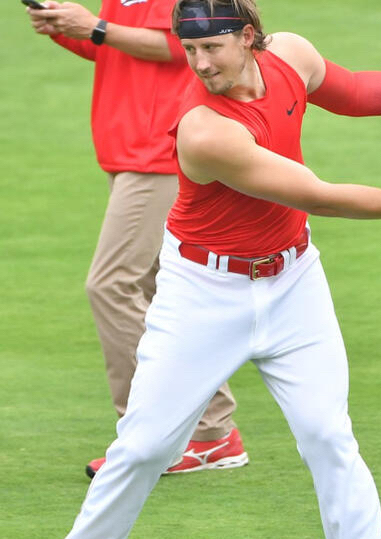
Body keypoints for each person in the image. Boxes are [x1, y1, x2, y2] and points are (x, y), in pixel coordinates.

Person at [0, 1, 381, 539]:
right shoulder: (205, 130)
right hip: (202, 293)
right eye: (190, 50)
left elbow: (351, 90)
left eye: (212, 48)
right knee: (144, 448)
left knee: (329, 439)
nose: (200, 64)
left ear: (248, 36)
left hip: (293, 280)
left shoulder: (292, 56)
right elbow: (316, 193)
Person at [25, 0, 248, 476]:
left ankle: (148, 436)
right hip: (126, 151)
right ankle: (213, 434)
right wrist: (70, 31)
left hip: (161, 151)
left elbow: (182, 49)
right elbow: (122, 53)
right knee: (166, 293)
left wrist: (98, 28)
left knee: (111, 285)